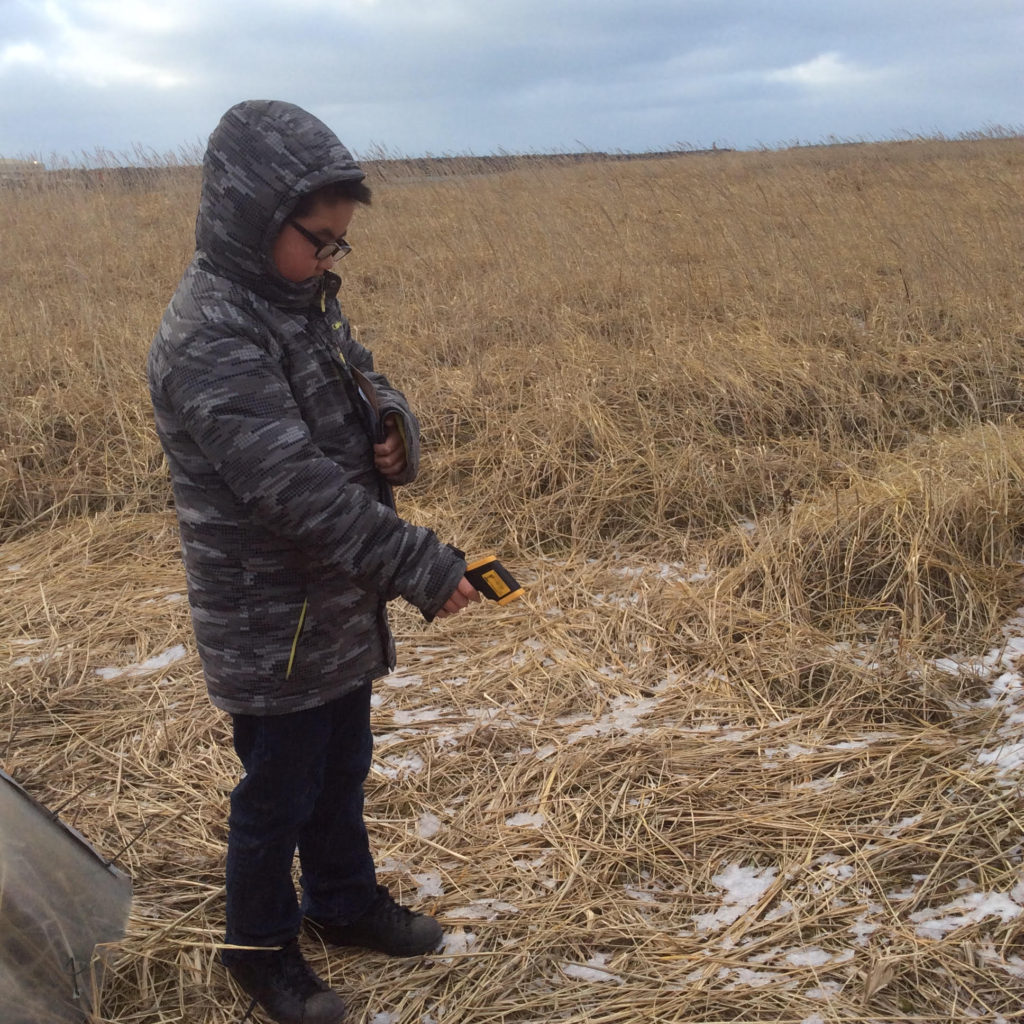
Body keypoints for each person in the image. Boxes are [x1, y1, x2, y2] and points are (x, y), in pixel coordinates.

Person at [147, 99, 479, 1024]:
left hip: (332, 607)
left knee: (342, 769)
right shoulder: (212, 335)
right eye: (319, 240)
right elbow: (293, 489)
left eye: (340, 244)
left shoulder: (301, 301)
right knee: (278, 795)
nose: (331, 259)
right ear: (255, 218)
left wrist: (392, 431)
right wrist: (416, 562)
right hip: (271, 620)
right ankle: (260, 952)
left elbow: (368, 378)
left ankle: (342, 903)